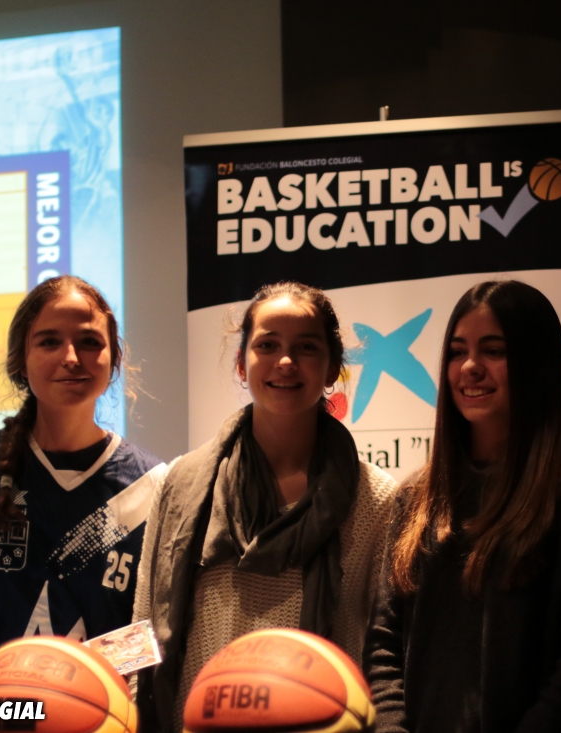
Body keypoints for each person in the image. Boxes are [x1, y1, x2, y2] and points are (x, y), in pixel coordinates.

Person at [133, 281, 397, 733]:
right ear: (242, 363)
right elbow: (144, 625)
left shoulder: (375, 499)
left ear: (333, 367)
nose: (285, 361)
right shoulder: (180, 483)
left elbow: (384, 651)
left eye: (306, 347)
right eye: (267, 345)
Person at [364, 280, 561, 733]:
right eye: (457, 352)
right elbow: (383, 644)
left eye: (493, 350)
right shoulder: (417, 496)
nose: (470, 367)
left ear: (536, 364)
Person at [0, 275, 164, 730]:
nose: (71, 357)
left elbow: (152, 630)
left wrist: (84, 683)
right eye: (49, 341)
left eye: (89, 341)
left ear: (114, 359)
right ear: (21, 361)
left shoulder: (153, 485)